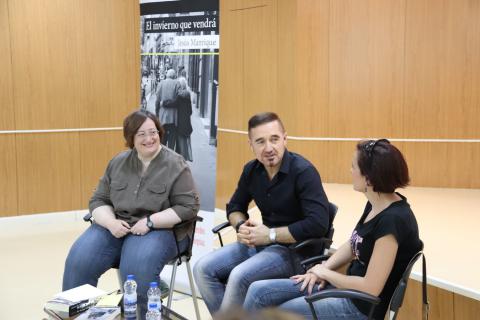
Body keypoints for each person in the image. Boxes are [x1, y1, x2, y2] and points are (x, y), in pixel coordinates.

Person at [243, 139, 423, 320]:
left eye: (354, 166)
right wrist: (321, 269)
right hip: (346, 290)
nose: (350, 171)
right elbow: (354, 244)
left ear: (369, 178)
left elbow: (371, 287)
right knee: (258, 292)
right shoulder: (377, 202)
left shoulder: (393, 220)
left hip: (359, 308)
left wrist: (327, 274)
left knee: (276, 313)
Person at [62, 110, 200, 319]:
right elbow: (98, 200)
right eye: (141, 134)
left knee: (135, 270)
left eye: (153, 132)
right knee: (80, 260)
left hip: (160, 229)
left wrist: (151, 222)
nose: (149, 139)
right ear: (131, 138)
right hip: (117, 226)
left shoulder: (176, 164)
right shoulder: (118, 162)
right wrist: (110, 223)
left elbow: (188, 207)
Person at [193, 112, 330, 315]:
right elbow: (234, 207)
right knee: (202, 268)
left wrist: (271, 234)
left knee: (239, 276)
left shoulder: (304, 172)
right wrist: (241, 226)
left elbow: (318, 224)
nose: (268, 148)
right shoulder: (252, 170)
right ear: (251, 145)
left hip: (296, 252)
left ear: (285, 138)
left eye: (274, 139)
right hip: (260, 243)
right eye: (260, 141)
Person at [155, 68, 181, 149]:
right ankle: (171, 153)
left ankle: (163, 154)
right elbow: (179, 100)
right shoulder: (177, 83)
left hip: (162, 116)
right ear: (174, 76)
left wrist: (157, 113)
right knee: (172, 137)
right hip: (173, 116)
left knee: (163, 137)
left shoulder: (161, 83)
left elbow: (157, 100)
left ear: (167, 75)